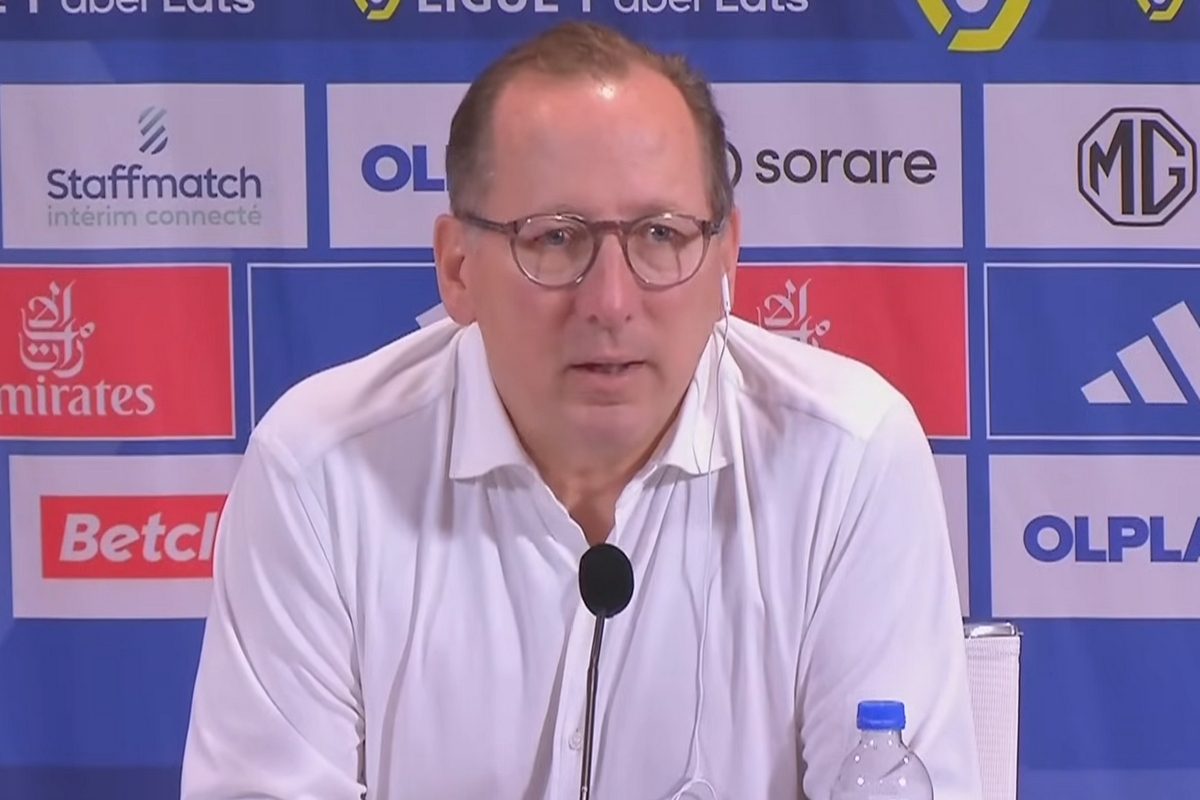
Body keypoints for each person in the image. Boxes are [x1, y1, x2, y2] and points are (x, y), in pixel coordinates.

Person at [180, 20, 984, 800]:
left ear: (726, 258)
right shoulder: (320, 472)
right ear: (458, 268)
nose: (610, 301)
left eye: (661, 234)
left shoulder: (847, 456)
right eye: (556, 238)